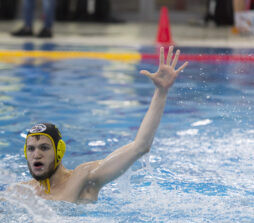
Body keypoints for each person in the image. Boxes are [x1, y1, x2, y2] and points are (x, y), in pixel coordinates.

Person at [21, 46, 189, 203]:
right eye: (31, 149)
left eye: (44, 148)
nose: (36, 155)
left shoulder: (83, 179)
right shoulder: (22, 192)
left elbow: (140, 146)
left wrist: (161, 93)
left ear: (59, 151)